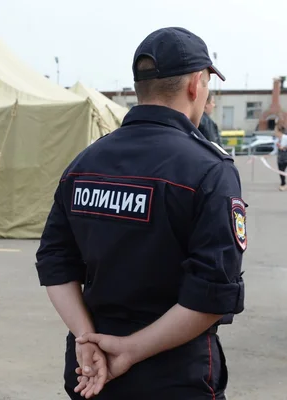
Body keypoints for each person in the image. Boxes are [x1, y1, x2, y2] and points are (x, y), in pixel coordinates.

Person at [35, 27, 246, 400]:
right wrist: (130, 349)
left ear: (139, 88)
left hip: (90, 370)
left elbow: (55, 260)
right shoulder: (209, 170)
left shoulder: (86, 161)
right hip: (174, 375)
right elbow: (212, 294)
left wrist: (86, 337)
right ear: (196, 85)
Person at [273, 124, 287, 190]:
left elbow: (284, 147)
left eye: (275, 130)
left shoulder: (285, 138)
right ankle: (283, 184)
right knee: (281, 171)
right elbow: (275, 150)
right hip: (280, 158)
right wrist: (267, 155)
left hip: (286, 156)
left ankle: (283, 185)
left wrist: (284, 147)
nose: (274, 132)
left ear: (279, 131)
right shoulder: (277, 140)